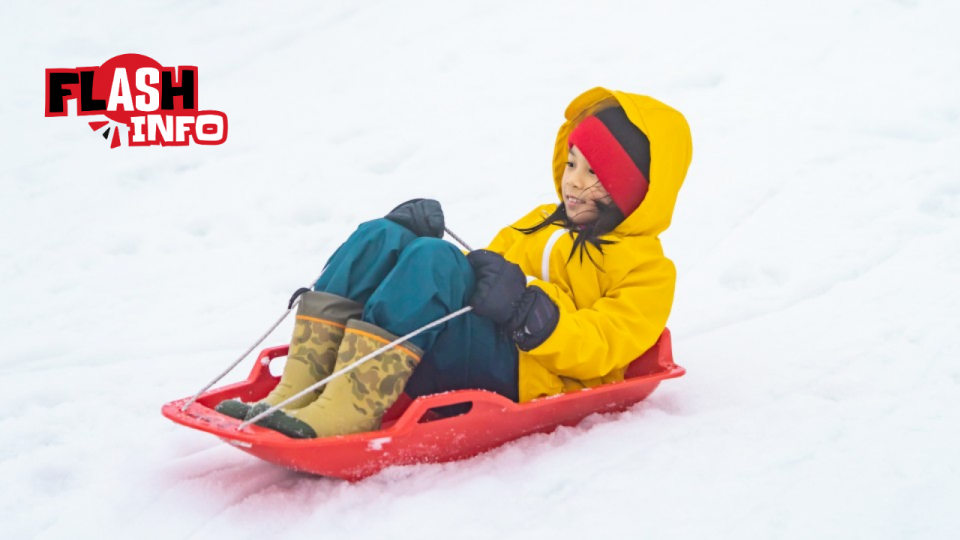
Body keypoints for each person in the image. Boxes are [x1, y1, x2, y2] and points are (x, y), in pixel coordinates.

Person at [216, 87, 693, 439]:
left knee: (433, 259)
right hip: (478, 345)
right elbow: (478, 282)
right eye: (571, 164)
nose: (573, 183)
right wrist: (409, 242)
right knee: (381, 237)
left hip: (524, 374)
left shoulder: (647, 271)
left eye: (594, 174)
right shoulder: (538, 224)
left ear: (631, 191)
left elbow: (604, 346)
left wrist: (528, 315)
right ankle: (301, 383)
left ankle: (351, 406)